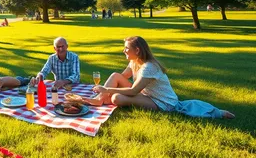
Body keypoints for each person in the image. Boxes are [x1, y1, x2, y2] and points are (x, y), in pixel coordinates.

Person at [82, 36, 235, 119]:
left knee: (116, 98)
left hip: (163, 102)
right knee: (114, 76)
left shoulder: (149, 66)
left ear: (137, 50)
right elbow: (120, 78)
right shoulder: (135, 62)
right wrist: (105, 91)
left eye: (126, 48)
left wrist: (107, 89)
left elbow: (134, 90)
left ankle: (101, 98)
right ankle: (99, 99)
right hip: (146, 95)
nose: (124, 51)